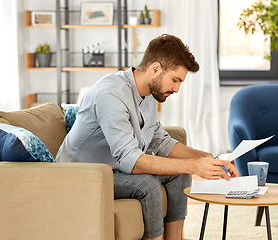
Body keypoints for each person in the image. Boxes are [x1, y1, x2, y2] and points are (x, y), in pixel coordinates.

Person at [56, 34, 239, 240]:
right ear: (155, 69)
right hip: (81, 175)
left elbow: (160, 141)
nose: (177, 89)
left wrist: (210, 159)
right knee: (147, 185)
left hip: (113, 170)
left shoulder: (149, 94)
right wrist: (194, 166)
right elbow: (131, 161)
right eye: (175, 80)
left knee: (180, 174)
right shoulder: (111, 95)